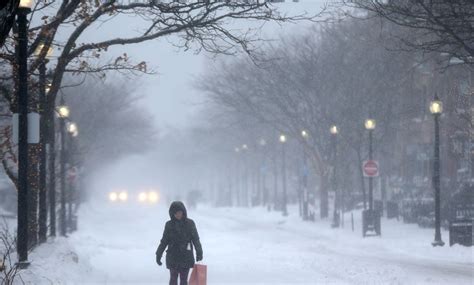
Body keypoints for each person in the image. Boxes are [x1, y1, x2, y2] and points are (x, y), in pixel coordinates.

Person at [156, 201, 203, 285]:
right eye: (175, 213)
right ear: (172, 213)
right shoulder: (169, 225)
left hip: (186, 256)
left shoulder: (190, 224)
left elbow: (196, 239)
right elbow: (164, 241)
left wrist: (199, 252)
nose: (178, 214)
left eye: (179, 212)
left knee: (183, 280)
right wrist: (158, 254)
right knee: (173, 279)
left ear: (183, 212)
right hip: (173, 256)